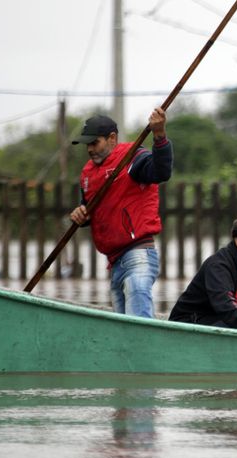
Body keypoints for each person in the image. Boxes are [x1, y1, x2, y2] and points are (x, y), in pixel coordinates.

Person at [69, 109, 173, 317]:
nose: (90, 149)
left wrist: (159, 135)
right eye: (87, 145)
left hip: (138, 257)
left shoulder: (133, 158)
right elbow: (90, 208)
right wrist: (81, 216)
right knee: (123, 332)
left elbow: (162, 172)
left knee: (137, 326)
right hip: (115, 264)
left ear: (112, 139)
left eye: (94, 143)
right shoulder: (88, 173)